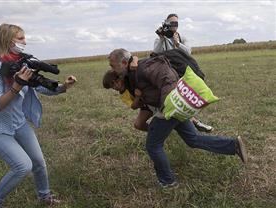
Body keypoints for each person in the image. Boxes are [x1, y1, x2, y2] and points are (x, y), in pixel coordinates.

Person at [106, 48, 247, 188]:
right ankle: (233, 145)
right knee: (193, 139)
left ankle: (168, 181)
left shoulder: (145, 66)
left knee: (153, 145)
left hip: (169, 108)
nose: (112, 69)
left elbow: (168, 77)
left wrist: (167, 104)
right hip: (173, 108)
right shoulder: (132, 71)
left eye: (113, 66)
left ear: (124, 62)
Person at [0, 23, 76, 208]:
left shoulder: (22, 64)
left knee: (38, 161)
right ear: (7, 40)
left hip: (17, 122)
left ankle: (45, 197)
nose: (25, 41)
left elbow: (38, 86)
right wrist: (17, 86)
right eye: (21, 38)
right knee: (23, 166)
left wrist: (63, 87)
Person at [153, 13, 214, 132]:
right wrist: (161, 39)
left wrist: (177, 44)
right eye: (171, 23)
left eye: (176, 23)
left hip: (181, 70)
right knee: (174, 97)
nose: (174, 25)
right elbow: (155, 53)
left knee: (185, 96)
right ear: (166, 23)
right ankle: (193, 122)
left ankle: (190, 122)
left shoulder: (182, 38)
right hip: (167, 72)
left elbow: (188, 53)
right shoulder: (160, 39)